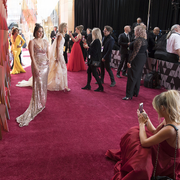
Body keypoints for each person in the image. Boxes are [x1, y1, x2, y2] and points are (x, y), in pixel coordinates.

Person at [106, 90, 180, 179]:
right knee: (134, 132)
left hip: (164, 160)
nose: (156, 110)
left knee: (137, 142)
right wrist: (146, 119)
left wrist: (141, 124)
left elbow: (144, 143)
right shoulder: (171, 119)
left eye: (156, 108)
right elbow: (155, 132)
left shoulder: (170, 129)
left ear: (163, 108)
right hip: (162, 150)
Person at [16, 23, 49, 127]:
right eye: (39, 31)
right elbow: (32, 56)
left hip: (45, 66)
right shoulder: (32, 42)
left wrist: (48, 60)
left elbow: (46, 53)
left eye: (42, 31)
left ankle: (42, 103)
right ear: (35, 32)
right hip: (37, 66)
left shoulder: (45, 41)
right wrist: (35, 67)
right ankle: (36, 104)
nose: (40, 33)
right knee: (37, 85)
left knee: (43, 85)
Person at [123, 25, 147, 100]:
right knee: (138, 75)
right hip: (142, 58)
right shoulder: (144, 40)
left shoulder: (138, 40)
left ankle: (128, 95)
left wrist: (129, 61)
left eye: (135, 30)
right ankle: (135, 92)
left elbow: (135, 52)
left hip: (136, 59)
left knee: (132, 76)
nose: (134, 32)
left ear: (138, 31)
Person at [47, 23, 70, 92]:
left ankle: (62, 84)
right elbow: (57, 46)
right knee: (64, 68)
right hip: (59, 54)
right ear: (63, 28)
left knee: (60, 68)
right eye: (66, 27)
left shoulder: (60, 35)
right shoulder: (60, 35)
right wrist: (57, 56)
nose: (67, 28)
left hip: (60, 53)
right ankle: (65, 85)